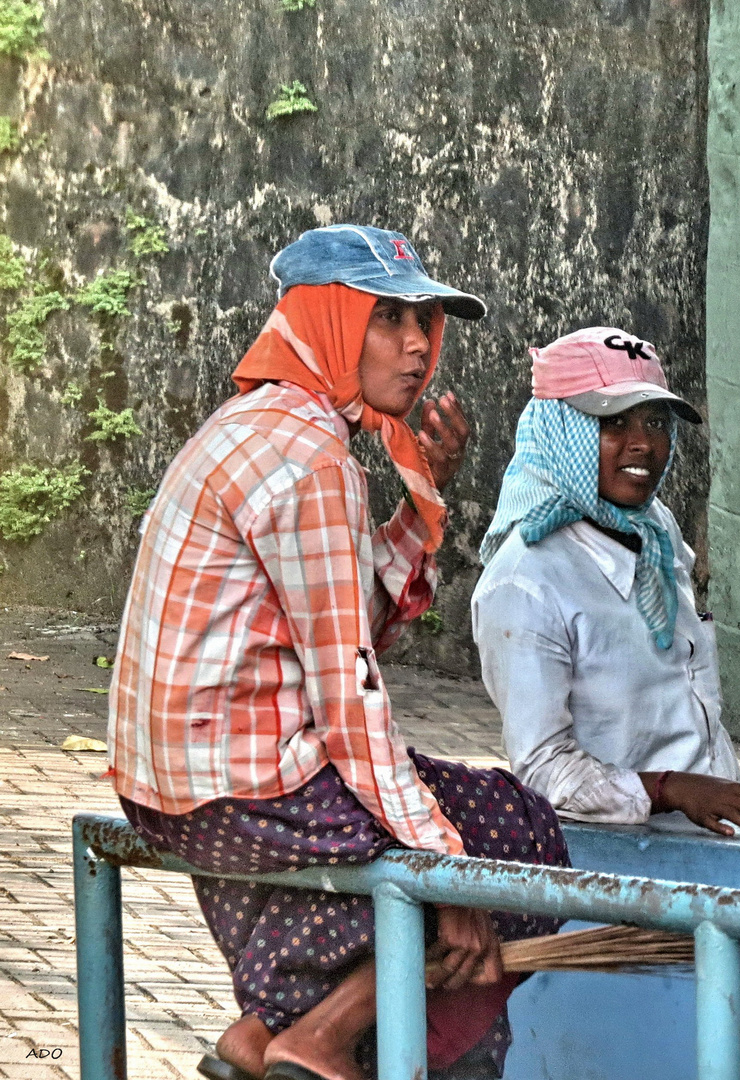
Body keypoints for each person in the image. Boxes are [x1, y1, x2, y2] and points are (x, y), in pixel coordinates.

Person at [106, 226, 570, 1080]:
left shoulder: (257, 424)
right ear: (328, 320)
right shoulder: (310, 456)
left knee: (441, 834)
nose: (418, 344)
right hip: (241, 787)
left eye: (426, 322)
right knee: (519, 831)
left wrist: (423, 490)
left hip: (169, 787)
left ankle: (264, 1032)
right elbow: (351, 697)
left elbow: (346, 620)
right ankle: (319, 1037)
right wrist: (451, 871)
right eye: (387, 317)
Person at [472, 327, 740, 839]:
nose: (643, 442)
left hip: (715, 835)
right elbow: (545, 771)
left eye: (656, 421)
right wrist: (669, 790)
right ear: (560, 431)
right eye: (612, 422)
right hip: (617, 859)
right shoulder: (525, 582)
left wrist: (713, 789)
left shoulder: (654, 527)